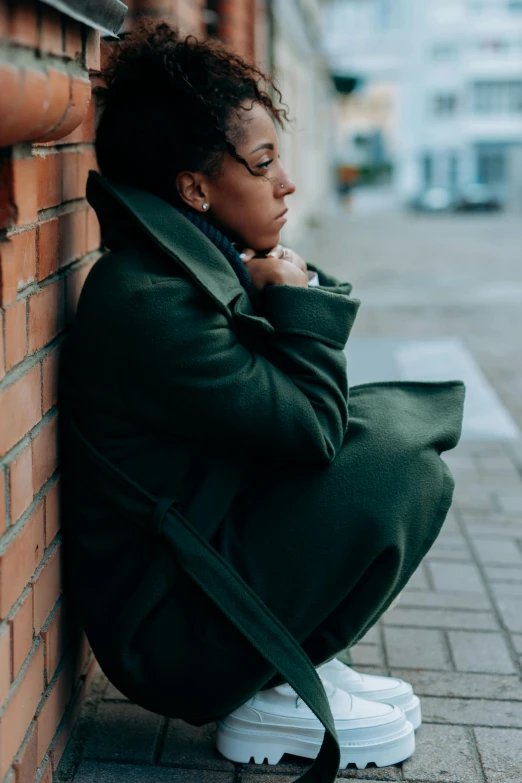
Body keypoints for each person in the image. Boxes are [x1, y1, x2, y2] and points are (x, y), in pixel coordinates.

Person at [58, 21, 465, 782]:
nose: (288, 184)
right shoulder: (150, 302)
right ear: (195, 188)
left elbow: (301, 416)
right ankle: (264, 677)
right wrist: (298, 298)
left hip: (199, 558)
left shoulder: (188, 267)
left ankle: (294, 655)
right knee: (394, 467)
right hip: (172, 628)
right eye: (265, 162)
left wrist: (287, 283)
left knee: (394, 428)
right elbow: (311, 426)